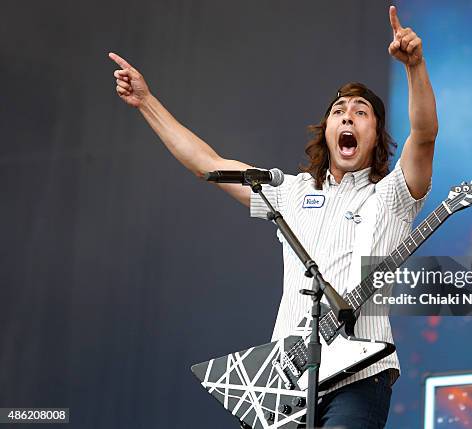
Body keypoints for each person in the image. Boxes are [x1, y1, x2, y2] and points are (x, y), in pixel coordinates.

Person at [109, 5, 437, 428]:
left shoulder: (392, 193)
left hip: (362, 373)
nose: (347, 116)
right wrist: (146, 102)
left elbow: (425, 134)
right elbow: (205, 162)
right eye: (339, 111)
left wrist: (414, 67)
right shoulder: (291, 192)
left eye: (360, 111)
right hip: (286, 382)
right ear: (327, 131)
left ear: (375, 137)